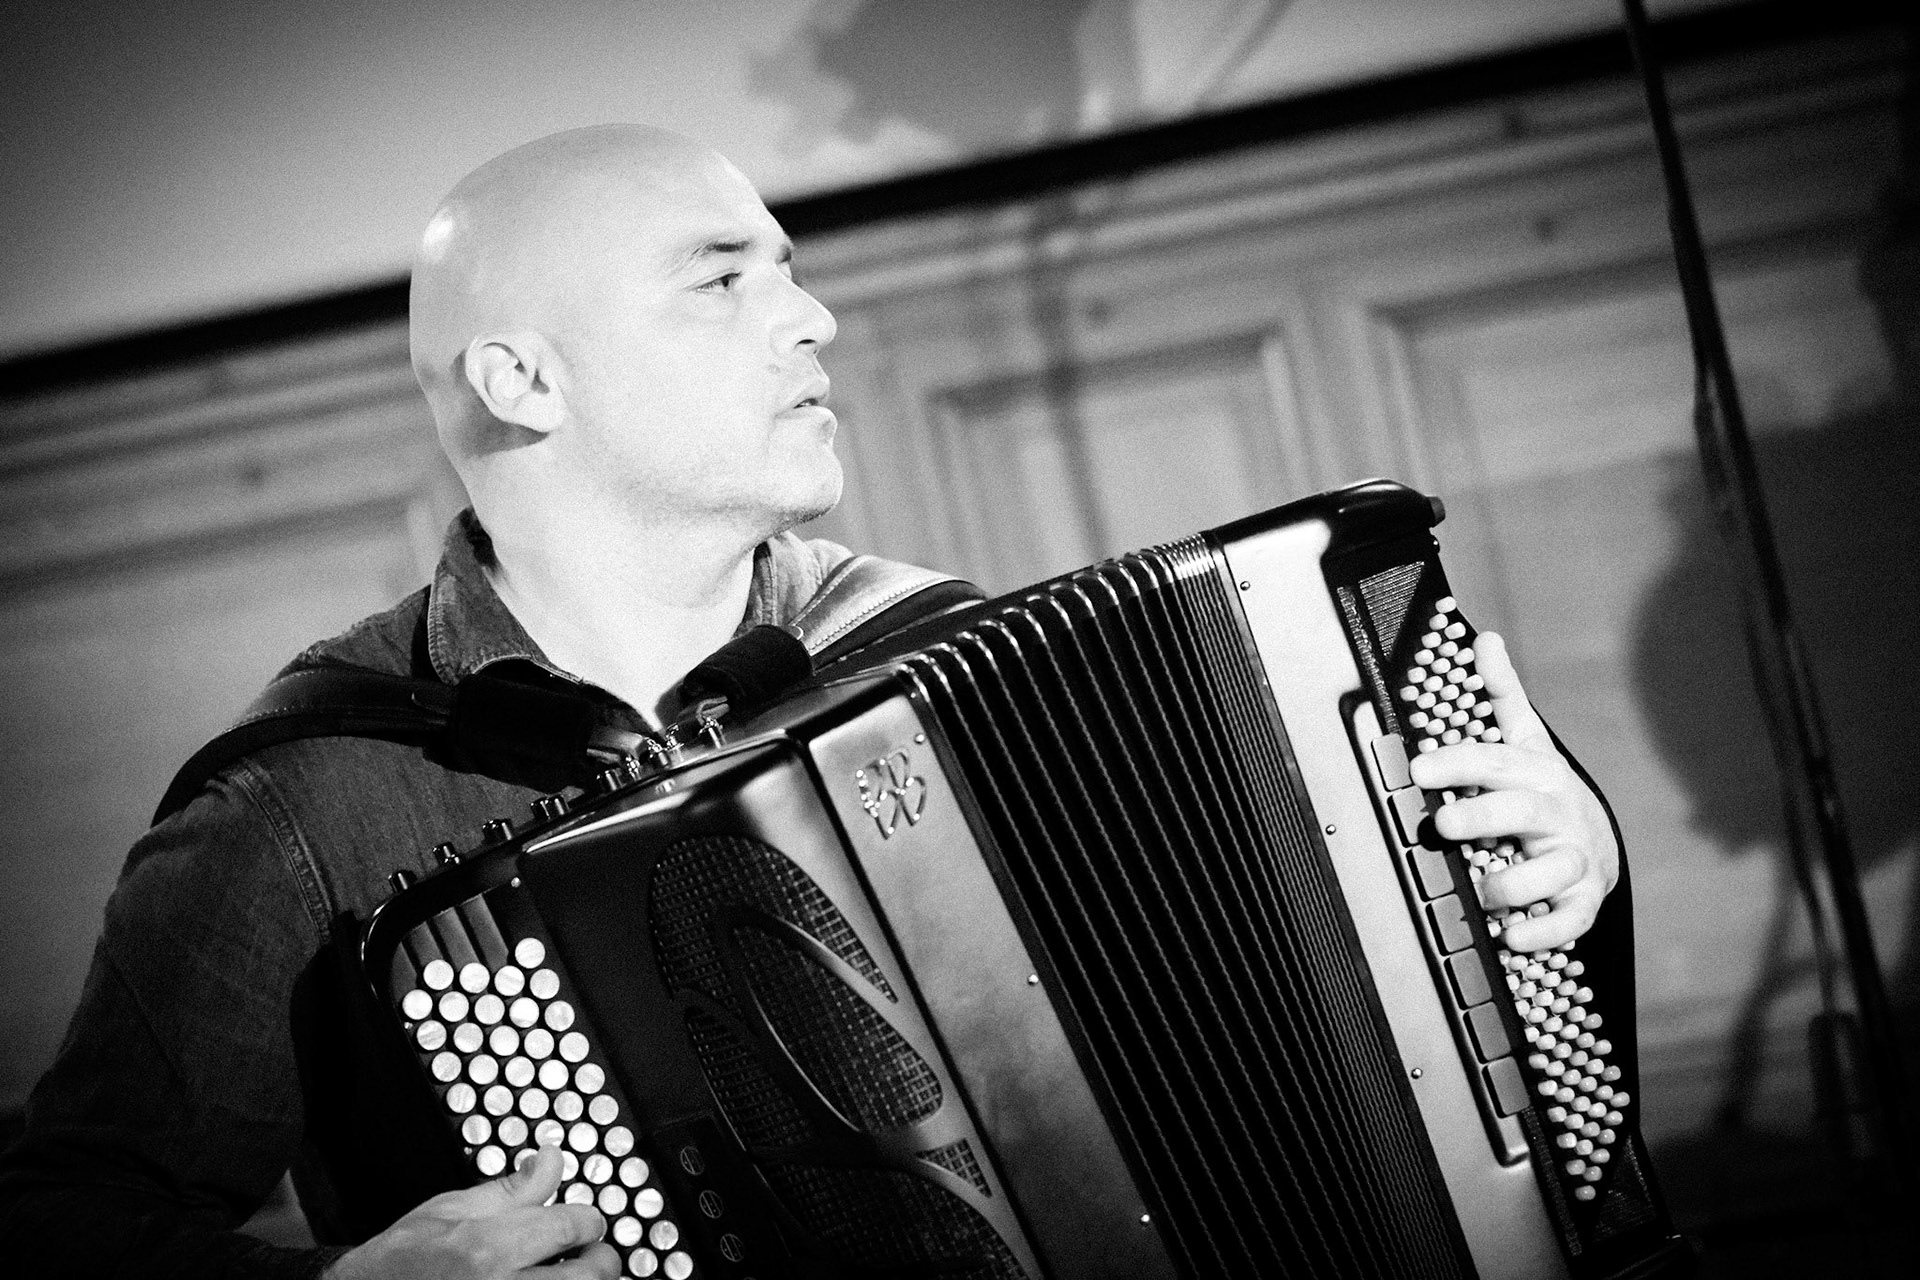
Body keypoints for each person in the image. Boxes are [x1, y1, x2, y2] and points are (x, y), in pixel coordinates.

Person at [0, 124, 1622, 1278]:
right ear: (523, 381)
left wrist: (1554, 875)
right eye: (721, 282)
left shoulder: (944, 654)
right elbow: (59, 1216)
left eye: (792, 269)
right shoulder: (313, 797)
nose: (814, 319)